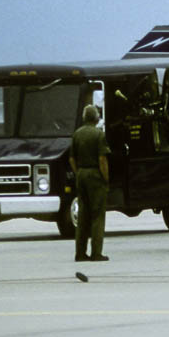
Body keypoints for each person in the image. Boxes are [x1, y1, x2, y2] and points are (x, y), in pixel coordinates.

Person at [69, 104, 110, 262]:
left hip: (81, 174)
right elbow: (102, 159)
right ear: (96, 117)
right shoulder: (98, 134)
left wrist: (78, 171)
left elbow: (71, 158)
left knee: (83, 215)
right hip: (95, 175)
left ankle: (80, 253)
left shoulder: (77, 134)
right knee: (98, 215)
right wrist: (105, 178)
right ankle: (96, 253)